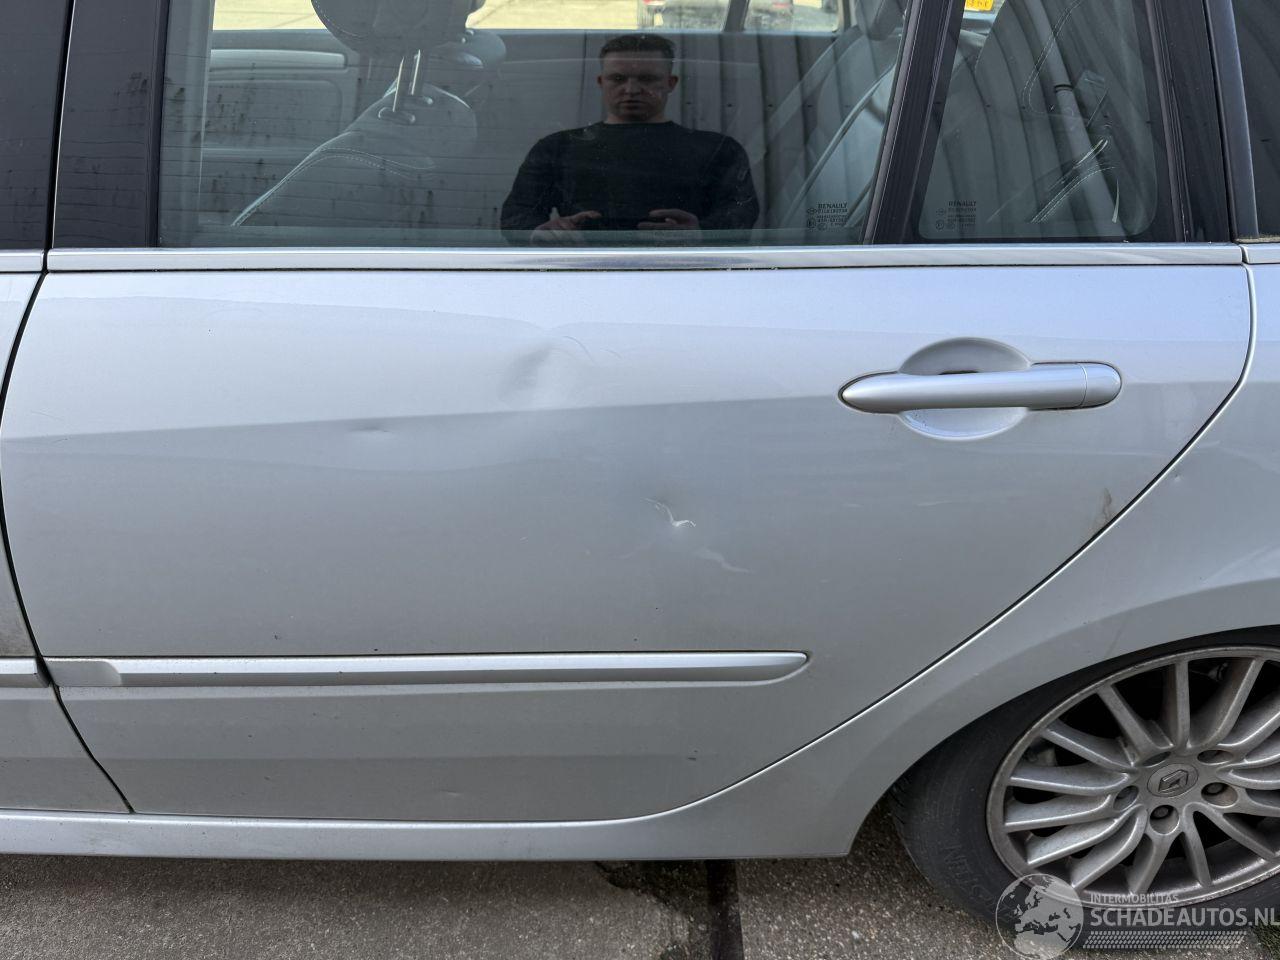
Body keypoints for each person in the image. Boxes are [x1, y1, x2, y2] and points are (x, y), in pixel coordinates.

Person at [501, 34, 759, 244]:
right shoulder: (556, 148)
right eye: (618, 78)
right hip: (581, 272)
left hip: (686, 272)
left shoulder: (719, 150)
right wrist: (545, 233)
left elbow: (741, 215)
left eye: (647, 78)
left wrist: (701, 233)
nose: (631, 89)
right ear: (601, 82)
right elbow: (516, 216)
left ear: (670, 83)